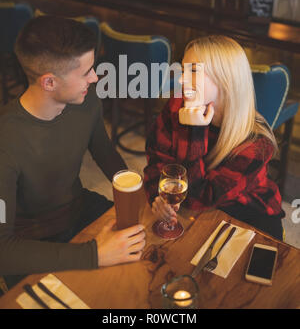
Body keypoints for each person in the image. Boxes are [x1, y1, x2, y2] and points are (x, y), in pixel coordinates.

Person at [0, 16, 145, 288]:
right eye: (86, 72)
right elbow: (3, 251)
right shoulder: (5, 141)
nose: (95, 77)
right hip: (31, 242)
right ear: (49, 83)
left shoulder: (85, 99)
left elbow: (104, 151)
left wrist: (139, 197)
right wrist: (95, 255)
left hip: (80, 210)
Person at [144, 35, 285, 240]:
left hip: (249, 218)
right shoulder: (177, 104)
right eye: (184, 70)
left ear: (225, 81)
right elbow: (156, 158)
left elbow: (199, 197)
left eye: (193, 71)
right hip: (198, 212)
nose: (181, 79)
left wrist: (196, 132)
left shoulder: (257, 143)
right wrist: (156, 197)